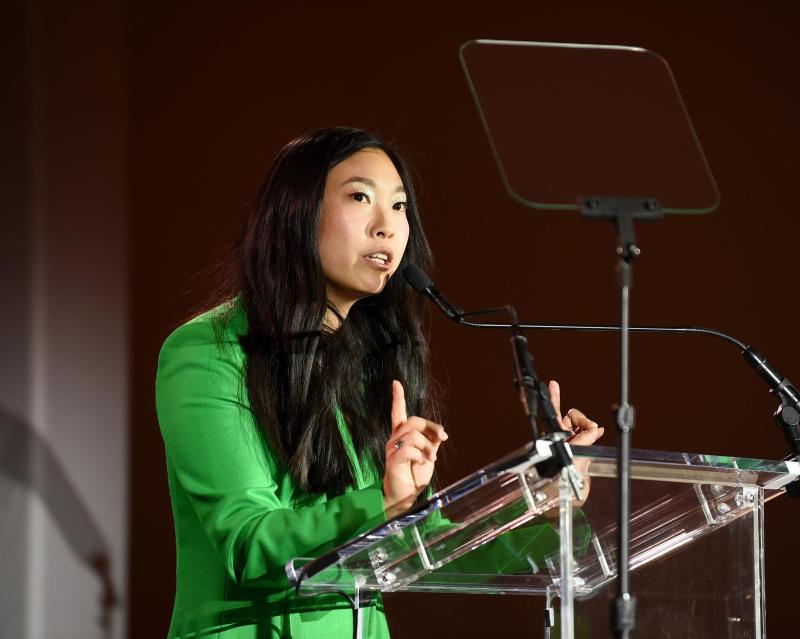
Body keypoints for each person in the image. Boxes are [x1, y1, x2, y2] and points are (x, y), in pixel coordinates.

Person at [154, 127, 604, 638]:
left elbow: (427, 547)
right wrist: (385, 505)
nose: (386, 227)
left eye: (399, 206)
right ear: (297, 213)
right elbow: (248, 542)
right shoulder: (208, 352)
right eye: (360, 197)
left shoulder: (372, 364)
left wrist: (543, 505)